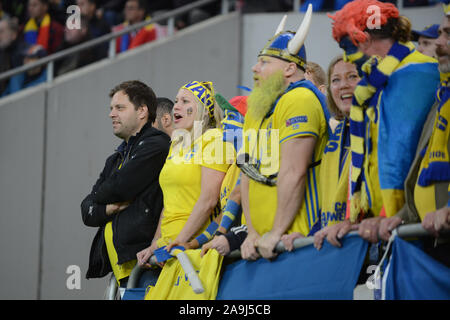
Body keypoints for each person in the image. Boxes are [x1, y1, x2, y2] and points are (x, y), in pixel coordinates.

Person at [326, 0, 440, 245]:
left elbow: (401, 152)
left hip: (411, 228)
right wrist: (356, 217)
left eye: (346, 45)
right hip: (386, 225)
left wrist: (391, 217)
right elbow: (371, 160)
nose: (346, 55)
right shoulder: (377, 79)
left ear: (363, 39)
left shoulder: (414, 73)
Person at [238, 6, 331, 261]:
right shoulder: (257, 106)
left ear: (290, 69)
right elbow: (246, 173)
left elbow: (294, 172)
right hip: (263, 242)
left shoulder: (300, 98)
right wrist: (252, 232)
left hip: (298, 241)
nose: (255, 68)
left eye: (265, 62)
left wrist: (277, 231)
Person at [377, 5, 450, 266]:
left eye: (448, 35)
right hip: (431, 238)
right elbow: (422, 167)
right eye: (440, 33)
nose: (440, 43)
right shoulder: (442, 96)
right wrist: (403, 216)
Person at [81, 80, 170, 287]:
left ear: (142, 112)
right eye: (111, 108)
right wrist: (110, 208)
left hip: (147, 265)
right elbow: (86, 210)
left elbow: (119, 187)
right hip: (123, 267)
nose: (112, 114)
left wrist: (101, 197)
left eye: (120, 108)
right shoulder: (116, 158)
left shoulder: (156, 144)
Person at [136, 80, 229, 267]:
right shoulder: (177, 145)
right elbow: (169, 203)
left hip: (192, 247)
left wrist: (180, 241)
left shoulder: (214, 139)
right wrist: (156, 243)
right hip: (169, 246)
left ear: (202, 110)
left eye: (185, 101)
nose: (176, 106)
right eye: (176, 101)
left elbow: (208, 200)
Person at [309, 56, 361, 250]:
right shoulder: (336, 135)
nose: (343, 86)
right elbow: (327, 203)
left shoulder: (376, 126)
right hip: (335, 242)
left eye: (352, 77)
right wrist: (308, 236)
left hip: (365, 244)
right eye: (336, 80)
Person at [0, 17, 29, 95]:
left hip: (17, 94)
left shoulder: (23, 49)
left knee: (16, 76)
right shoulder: (3, 50)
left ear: (13, 35)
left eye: (1, 32)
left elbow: (40, 52)